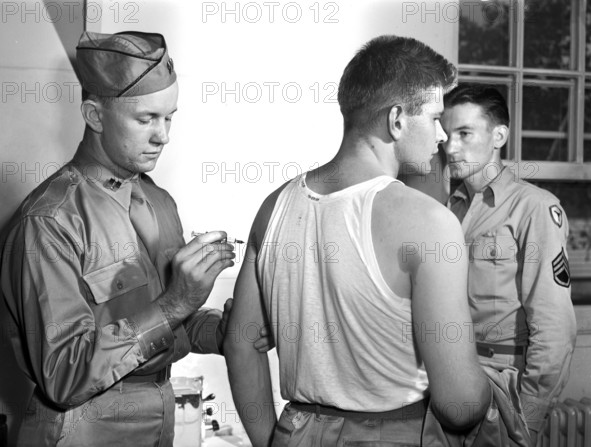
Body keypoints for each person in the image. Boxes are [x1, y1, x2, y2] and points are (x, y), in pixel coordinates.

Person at [224, 36, 491, 446]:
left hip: (296, 429)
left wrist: (272, 440)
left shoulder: (273, 206)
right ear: (397, 120)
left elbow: (241, 345)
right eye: (435, 117)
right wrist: (491, 391)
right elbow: (458, 405)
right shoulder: (429, 222)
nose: (441, 135)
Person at [0, 31, 236, 446]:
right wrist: (178, 301)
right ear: (94, 116)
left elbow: (166, 319)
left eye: (169, 117)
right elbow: (62, 374)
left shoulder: (159, 201)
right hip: (82, 428)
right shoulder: (51, 222)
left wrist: (222, 331)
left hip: (160, 416)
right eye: (146, 119)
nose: (163, 135)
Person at [440, 84, 577, 445]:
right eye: (445, 134)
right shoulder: (446, 211)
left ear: (498, 135)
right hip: (446, 378)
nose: (450, 147)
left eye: (464, 133)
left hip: (503, 387)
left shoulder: (534, 208)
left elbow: (555, 325)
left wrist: (529, 417)